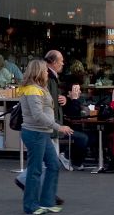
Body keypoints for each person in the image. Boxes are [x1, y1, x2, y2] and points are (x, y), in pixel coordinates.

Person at [15, 58, 72, 213]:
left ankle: (47, 201)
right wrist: (58, 127)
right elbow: (38, 115)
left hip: (42, 133)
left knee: (53, 165)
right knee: (35, 170)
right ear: (39, 72)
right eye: (45, 70)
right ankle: (31, 206)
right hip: (35, 133)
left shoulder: (39, 88)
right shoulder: (33, 90)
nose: (47, 73)